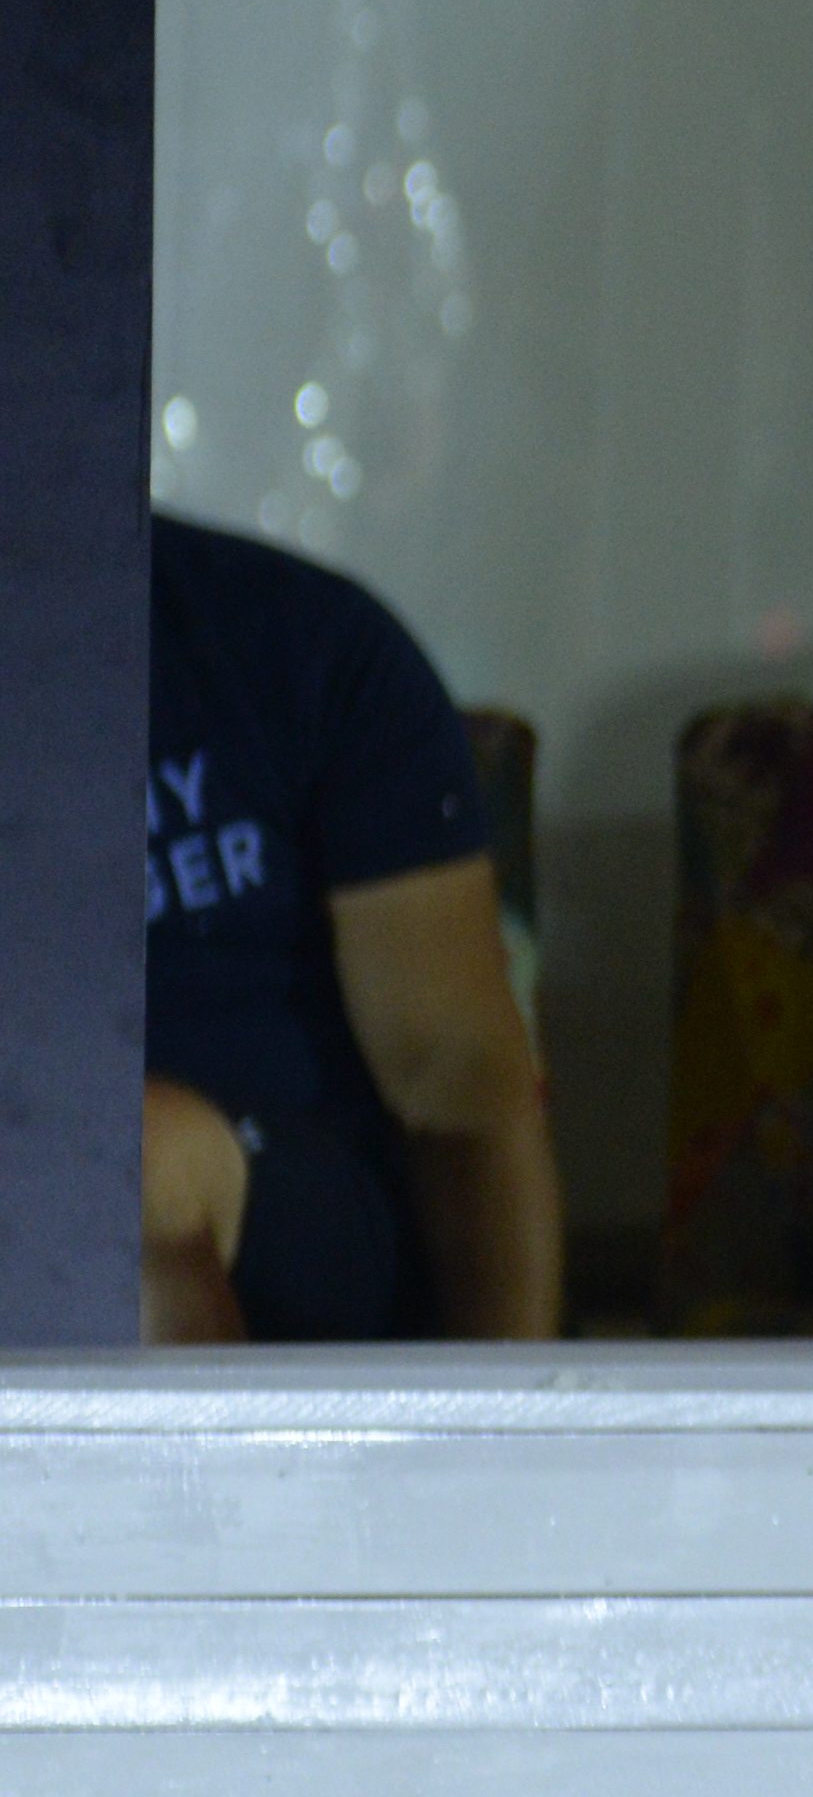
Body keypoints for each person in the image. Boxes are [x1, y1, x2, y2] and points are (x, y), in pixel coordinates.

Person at [140, 510, 565, 1345]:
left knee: (124, 1161)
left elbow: (457, 1079)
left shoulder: (297, 640)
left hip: (288, 1196)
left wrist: (508, 1408)